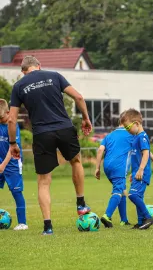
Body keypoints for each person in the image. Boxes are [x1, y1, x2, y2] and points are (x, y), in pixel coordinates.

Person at [7, 55, 92, 235]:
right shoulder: (54, 75)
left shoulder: (19, 86)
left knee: (44, 181)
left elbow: (12, 119)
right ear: (39, 66)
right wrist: (85, 118)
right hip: (64, 128)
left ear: (23, 71)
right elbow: (78, 97)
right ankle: (81, 204)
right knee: (76, 161)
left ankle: (48, 226)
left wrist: (13, 143)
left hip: (41, 133)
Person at [94, 114, 153, 228]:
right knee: (123, 191)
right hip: (120, 167)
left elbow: (101, 149)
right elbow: (146, 151)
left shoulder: (111, 135)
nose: (128, 130)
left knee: (124, 191)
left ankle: (126, 220)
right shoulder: (132, 135)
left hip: (107, 166)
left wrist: (97, 167)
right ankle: (108, 215)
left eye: (128, 127)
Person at [120, 109, 153, 230]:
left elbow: (146, 154)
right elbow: (137, 157)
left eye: (128, 127)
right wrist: (133, 173)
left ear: (137, 123)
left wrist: (140, 170)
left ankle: (148, 217)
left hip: (142, 172)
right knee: (138, 196)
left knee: (133, 195)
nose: (127, 130)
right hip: (136, 173)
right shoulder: (136, 137)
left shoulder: (142, 137)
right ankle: (141, 222)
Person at [0, 99, 27, 230]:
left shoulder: (13, 126)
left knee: (16, 192)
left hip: (12, 164)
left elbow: (12, 150)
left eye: (1, 117)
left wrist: (3, 165)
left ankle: (22, 223)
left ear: (8, 112)